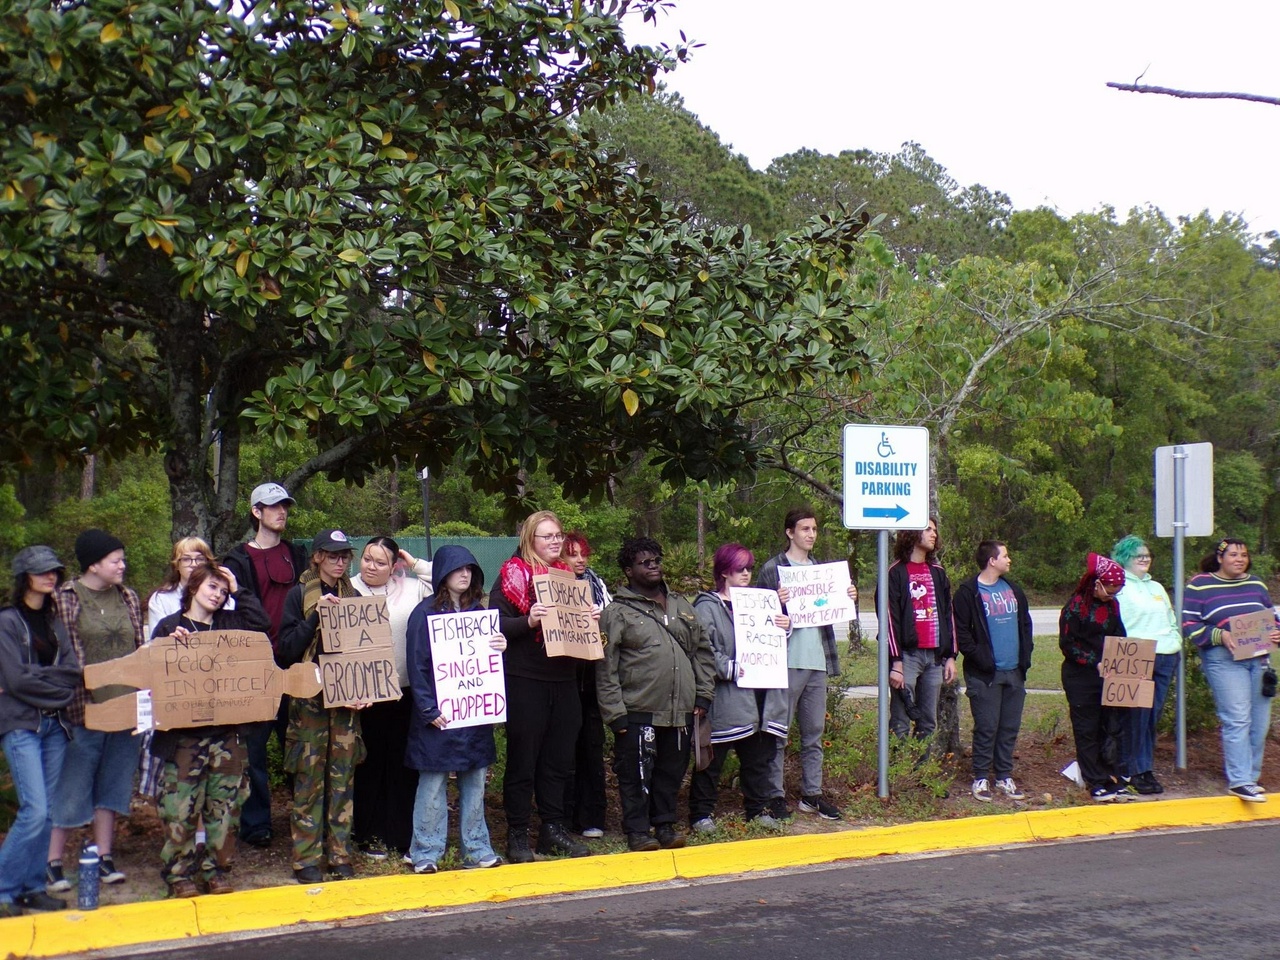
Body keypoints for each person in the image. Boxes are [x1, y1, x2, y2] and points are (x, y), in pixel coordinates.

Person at [150, 565, 271, 896]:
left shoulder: (230, 625)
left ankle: (216, 869)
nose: (217, 594)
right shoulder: (169, 626)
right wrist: (169, 647)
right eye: (212, 587)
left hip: (226, 736)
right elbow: (151, 675)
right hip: (183, 740)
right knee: (180, 807)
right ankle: (178, 874)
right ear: (193, 587)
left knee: (224, 807)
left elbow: (262, 625)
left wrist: (237, 586)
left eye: (222, 590)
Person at [598, 537, 715, 851]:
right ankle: (637, 830)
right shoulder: (617, 612)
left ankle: (664, 824)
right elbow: (605, 667)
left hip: (680, 709)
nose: (653, 566)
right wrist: (615, 713)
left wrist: (703, 694)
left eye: (656, 561)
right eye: (644, 562)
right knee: (636, 774)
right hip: (638, 707)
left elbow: (703, 652)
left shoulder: (682, 606)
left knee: (671, 771)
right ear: (628, 570)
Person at [47, 529, 145, 893]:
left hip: (127, 707)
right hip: (84, 710)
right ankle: (53, 862)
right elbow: (62, 658)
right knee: (73, 785)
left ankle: (104, 857)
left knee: (115, 784)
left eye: (122, 559)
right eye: (115, 560)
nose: (123, 565)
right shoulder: (66, 600)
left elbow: (140, 649)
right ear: (93, 564)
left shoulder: (129, 597)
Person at [490, 511, 589, 862]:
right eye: (546, 536)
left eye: (558, 535)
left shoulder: (569, 578)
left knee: (559, 761)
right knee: (523, 761)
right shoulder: (511, 575)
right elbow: (494, 625)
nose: (555, 542)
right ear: (530, 539)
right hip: (525, 678)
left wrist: (589, 620)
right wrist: (527, 620)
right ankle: (517, 835)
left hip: (564, 678)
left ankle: (552, 830)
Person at [404, 546, 505, 872]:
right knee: (432, 785)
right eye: (458, 568)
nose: (465, 574)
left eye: (470, 569)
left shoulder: (481, 614)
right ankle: (425, 852)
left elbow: (487, 668)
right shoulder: (423, 614)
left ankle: (476, 849)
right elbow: (416, 665)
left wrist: (500, 646)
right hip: (438, 717)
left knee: (475, 782)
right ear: (443, 574)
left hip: (473, 716)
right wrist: (428, 709)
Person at [223, 482, 308, 849]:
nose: (281, 512)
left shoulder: (298, 555)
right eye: (273, 506)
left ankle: (306, 821)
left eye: (284, 506)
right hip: (255, 671)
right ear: (256, 511)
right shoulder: (236, 560)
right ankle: (256, 825)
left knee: (300, 748)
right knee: (253, 753)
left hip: (295, 667)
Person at [276, 528, 364, 882]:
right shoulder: (299, 595)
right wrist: (316, 616)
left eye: (344, 556)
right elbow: (285, 649)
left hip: (345, 702)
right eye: (332, 555)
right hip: (309, 701)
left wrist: (366, 688)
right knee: (309, 781)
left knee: (343, 780)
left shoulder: (355, 597)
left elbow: (366, 652)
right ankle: (306, 859)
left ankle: (340, 855)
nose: (339, 562)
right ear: (317, 557)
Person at [757, 508, 854, 821]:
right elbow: (756, 617)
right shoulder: (773, 569)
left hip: (817, 661)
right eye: (804, 529)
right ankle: (774, 796)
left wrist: (848, 594)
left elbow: (833, 609)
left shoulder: (822, 572)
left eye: (814, 529)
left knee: (814, 733)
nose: (811, 535)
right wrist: (776, 599)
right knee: (777, 732)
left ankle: (812, 794)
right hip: (785, 662)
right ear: (790, 533)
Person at [0, 546, 82, 916]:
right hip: (22, 724)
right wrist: (55, 683)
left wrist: (46, 680)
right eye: (43, 571)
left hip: (55, 724)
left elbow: (72, 672)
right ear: (24, 578)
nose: (51, 576)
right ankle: (3, 890)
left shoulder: (54, 621)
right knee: (34, 810)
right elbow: (15, 680)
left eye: (55, 571)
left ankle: (32, 887)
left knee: (49, 813)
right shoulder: (7, 621)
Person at [689, 543, 790, 832]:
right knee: (712, 759)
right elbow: (703, 649)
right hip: (727, 696)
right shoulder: (707, 607)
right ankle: (700, 814)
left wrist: (784, 626)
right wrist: (730, 668)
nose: (746, 573)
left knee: (757, 759)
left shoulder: (760, 601)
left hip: (760, 696)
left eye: (748, 568)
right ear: (724, 572)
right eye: (739, 568)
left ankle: (757, 810)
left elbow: (773, 643)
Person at [349, 535, 434, 856]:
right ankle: (368, 834)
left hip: (406, 692)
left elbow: (450, 579)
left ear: (394, 565)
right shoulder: (348, 588)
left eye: (380, 562)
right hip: (363, 695)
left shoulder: (412, 588)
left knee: (402, 766)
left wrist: (415, 564)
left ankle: (400, 834)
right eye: (367, 558)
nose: (371, 566)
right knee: (369, 765)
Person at [1182, 538, 1280, 803]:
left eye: (1244, 555)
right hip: (1223, 659)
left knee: (1259, 722)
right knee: (1237, 717)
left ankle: (1251, 777)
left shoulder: (1256, 583)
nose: (1240, 559)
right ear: (1220, 557)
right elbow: (1189, 623)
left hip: (1258, 658)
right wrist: (1219, 636)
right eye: (1234, 554)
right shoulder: (1200, 585)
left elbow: (1270, 615)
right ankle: (1240, 781)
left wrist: (1276, 631)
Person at [140, 537, 223, 801]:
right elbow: (153, 645)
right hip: (175, 692)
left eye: (199, 559)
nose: (193, 564)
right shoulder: (162, 599)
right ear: (177, 564)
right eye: (186, 559)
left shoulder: (222, 596)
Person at [953, 540, 1033, 803]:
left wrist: (1025, 660)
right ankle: (980, 778)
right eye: (1005, 556)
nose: (1009, 560)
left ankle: (1003, 776)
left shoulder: (1013, 590)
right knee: (987, 727)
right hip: (985, 675)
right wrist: (983, 660)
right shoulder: (968, 592)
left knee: (1009, 727)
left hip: (1014, 672)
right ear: (992, 560)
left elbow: (1025, 626)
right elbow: (963, 635)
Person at [1059, 552, 1135, 803]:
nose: (1112, 595)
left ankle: (1110, 776)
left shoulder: (1113, 606)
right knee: (1087, 729)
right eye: (1109, 590)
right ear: (1097, 583)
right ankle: (1094, 781)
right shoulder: (1075, 606)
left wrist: (1124, 659)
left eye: (1116, 591)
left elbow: (1119, 635)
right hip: (1081, 677)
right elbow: (1067, 644)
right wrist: (1095, 662)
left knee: (1109, 727)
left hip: (1109, 675)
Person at [1111, 535, 1181, 796]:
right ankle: (1134, 769)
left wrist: (1174, 641)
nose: (1144, 558)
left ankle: (1143, 767)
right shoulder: (1119, 587)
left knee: (1152, 717)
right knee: (1136, 716)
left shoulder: (1157, 588)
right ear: (1124, 559)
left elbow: (1170, 618)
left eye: (1147, 554)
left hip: (1165, 654)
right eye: (1137, 555)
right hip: (1135, 654)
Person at [882, 517, 956, 743]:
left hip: (934, 657)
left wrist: (951, 655)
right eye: (928, 529)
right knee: (901, 720)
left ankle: (920, 776)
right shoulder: (895, 572)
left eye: (935, 530)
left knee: (928, 723)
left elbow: (948, 615)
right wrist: (896, 662)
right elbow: (888, 620)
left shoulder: (937, 572)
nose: (934, 534)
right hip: (906, 657)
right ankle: (897, 776)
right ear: (913, 534)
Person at [562, 531, 611, 839]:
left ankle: (592, 816)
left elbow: (612, 619)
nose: (580, 559)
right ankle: (564, 817)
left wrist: (600, 615)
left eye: (583, 554)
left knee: (592, 746)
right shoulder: (550, 582)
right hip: (563, 675)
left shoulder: (597, 583)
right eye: (573, 554)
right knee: (563, 750)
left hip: (592, 679)